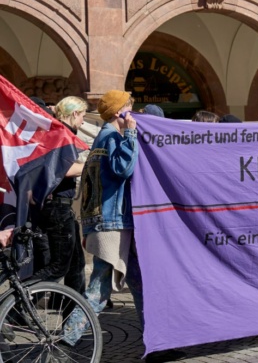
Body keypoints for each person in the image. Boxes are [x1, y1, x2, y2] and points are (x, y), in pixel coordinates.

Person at [62, 91, 185, 362]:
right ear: (120, 112)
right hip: (111, 224)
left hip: (109, 222)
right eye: (130, 107)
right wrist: (130, 134)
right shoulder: (111, 137)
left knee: (140, 284)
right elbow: (123, 169)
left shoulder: (102, 137)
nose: (134, 113)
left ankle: (156, 343)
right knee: (99, 289)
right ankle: (65, 338)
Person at [31, 96, 88, 295]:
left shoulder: (58, 131)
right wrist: (91, 165)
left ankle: (74, 311)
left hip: (59, 205)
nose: (83, 120)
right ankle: (16, 300)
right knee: (58, 266)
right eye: (82, 115)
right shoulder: (62, 133)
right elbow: (65, 169)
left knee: (76, 263)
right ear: (74, 114)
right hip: (56, 206)